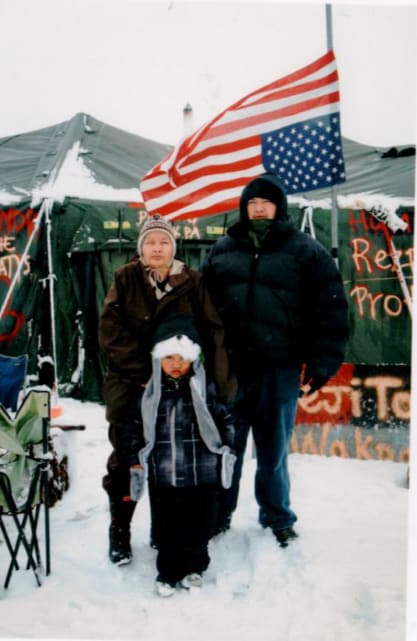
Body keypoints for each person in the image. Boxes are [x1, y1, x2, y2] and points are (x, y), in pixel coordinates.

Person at [200, 171, 349, 548]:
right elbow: (201, 307)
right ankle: (219, 513)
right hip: (230, 369)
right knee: (225, 448)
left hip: (279, 369)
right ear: (243, 208)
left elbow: (330, 310)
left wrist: (321, 363)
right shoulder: (223, 249)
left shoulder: (305, 251)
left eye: (266, 202)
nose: (259, 208)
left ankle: (277, 516)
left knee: (273, 449)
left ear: (279, 208)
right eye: (252, 203)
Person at [98, 214, 235, 566]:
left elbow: (214, 330)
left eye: (163, 243)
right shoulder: (125, 278)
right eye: (150, 243)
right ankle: (120, 531)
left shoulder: (192, 281)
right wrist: (146, 371)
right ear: (140, 248)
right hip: (133, 384)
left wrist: (219, 383)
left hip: (181, 385)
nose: (156, 248)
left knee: (175, 462)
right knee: (127, 462)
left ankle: (168, 533)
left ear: (173, 246)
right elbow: (110, 331)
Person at [126, 315, 236, 597]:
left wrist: (227, 447)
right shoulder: (151, 396)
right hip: (165, 475)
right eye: (169, 358)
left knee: (200, 524)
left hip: (203, 473)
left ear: (193, 360)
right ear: (158, 360)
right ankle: (168, 571)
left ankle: (195, 567)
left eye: (182, 358)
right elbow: (136, 427)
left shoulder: (203, 390)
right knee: (167, 527)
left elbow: (225, 419)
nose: (176, 364)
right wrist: (135, 456)